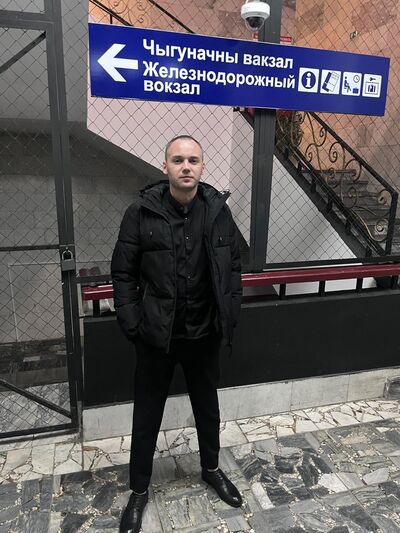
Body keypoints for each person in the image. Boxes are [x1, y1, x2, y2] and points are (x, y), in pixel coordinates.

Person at [111, 135, 243, 533]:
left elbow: (233, 267)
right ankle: (138, 491)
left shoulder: (218, 212)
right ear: (165, 166)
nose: (186, 166)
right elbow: (123, 273)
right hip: (157, 337)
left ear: (202, 167)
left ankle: (211, 469)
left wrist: (230, 312)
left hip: (204, 334)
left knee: (207, 407)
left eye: (193, 160)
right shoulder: (140, 213)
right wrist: (134, 324)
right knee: (147, 414)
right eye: (178, 160)